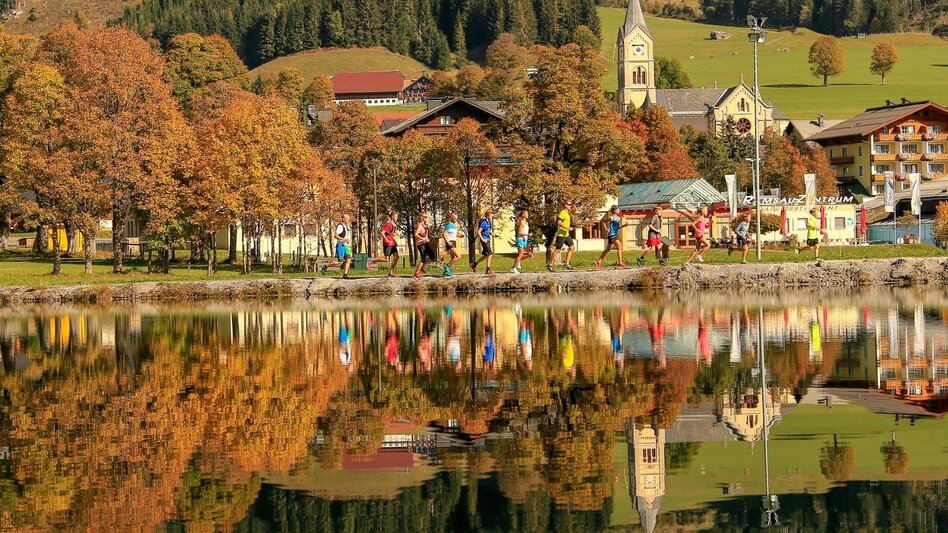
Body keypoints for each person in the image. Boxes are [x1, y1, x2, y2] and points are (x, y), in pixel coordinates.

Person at [595, 205, 632, 270]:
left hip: (614, 235)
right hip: (612, 235)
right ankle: (620, 262)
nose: (619, 210)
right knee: (620, 247)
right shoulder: (611, 218)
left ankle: (599, 261)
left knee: (608, 249)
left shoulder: (618, 218)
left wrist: (624, 225)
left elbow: (618, 227)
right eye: (618, 209)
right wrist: (606, 229)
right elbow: (603, 221)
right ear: (614, 210)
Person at [547, 200, 575, 272]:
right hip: (561, 234)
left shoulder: (567, 213)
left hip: (566, 234)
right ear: (565, 205)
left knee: (572, 247)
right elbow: (559, 222)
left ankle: (567, 264)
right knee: (558, 250)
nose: (570, 206)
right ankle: (550, 264)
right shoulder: (562, 213)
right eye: (569, 204)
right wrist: (568, 228)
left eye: (571, 204)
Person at [471, 209, 495, 275]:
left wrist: (492, 233)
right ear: (487, 215)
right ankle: (488, 269)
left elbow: (488, 230)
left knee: (486, 255)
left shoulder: (489, 222)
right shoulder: (483, 222)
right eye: (491, 216)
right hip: (484, 239)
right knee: (490, 254)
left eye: (492, 216)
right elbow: (478, 232)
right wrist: (482, 239)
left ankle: (474, 264)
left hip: (488, 239)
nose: (492, 217)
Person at [413, 212, 437, 279]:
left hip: (425, 243)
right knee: (423, 258)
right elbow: (416, 234)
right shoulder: (420, 225)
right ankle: (416, 273)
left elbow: (425, 234)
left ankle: (421, 267)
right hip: (421, 244)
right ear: (422, 218)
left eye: (427, 217)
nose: (427, 218)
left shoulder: (425, 225)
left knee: (432, 256)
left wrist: (427, 238)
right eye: (425, 217)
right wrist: (423, 238)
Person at [512, 209, 533, 274]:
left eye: (527, 213)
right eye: (526, 213)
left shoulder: (526, 222)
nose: (527, 215)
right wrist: (528, 234)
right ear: (523, 215)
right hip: (521, 240)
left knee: (530, 253)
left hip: (525, 240)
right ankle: (514, 268)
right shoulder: (522, 222)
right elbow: (520, 232)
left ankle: (517, 261)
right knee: (520, 254)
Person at [335, 214, 353, 279]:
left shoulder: (346, 226)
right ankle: (325, 266)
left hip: (346, 246)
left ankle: (345, 274)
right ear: (343, 219)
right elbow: (335, 235)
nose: (348, 220)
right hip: (340, 245)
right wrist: (343, 239)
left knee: (348, 259)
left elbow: (346, 236)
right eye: (347, 219)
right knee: (340, 262)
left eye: (348, 219)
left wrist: (348, 241)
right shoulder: (340, 226)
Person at [381, 211, 399, 278]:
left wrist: (394, 241)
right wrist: (387, 240)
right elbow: (382, 233)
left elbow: (391, 235)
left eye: (397, 216)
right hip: (387, 244)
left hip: (392, 244)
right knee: (386, 260)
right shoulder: (388, 224)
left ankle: (391, 272)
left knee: (396, 257)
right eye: (396, 216)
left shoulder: (394, 226)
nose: (397, 218)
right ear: (392, 217)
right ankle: (371, 260)